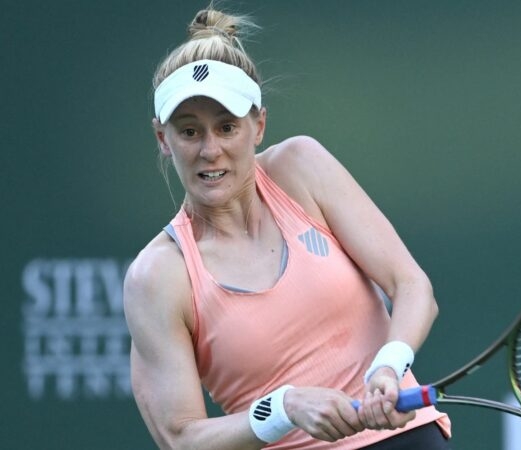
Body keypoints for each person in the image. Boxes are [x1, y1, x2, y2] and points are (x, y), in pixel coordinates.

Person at [124, 4, 452, 449]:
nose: (210, 150)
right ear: (163, 138)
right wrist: (283, 408)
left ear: (258, 125)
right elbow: (181, 439)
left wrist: (388, 367)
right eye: (189, 131)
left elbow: (411, 285)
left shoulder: (301, 167)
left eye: (226, 127)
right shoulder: (157, 275)